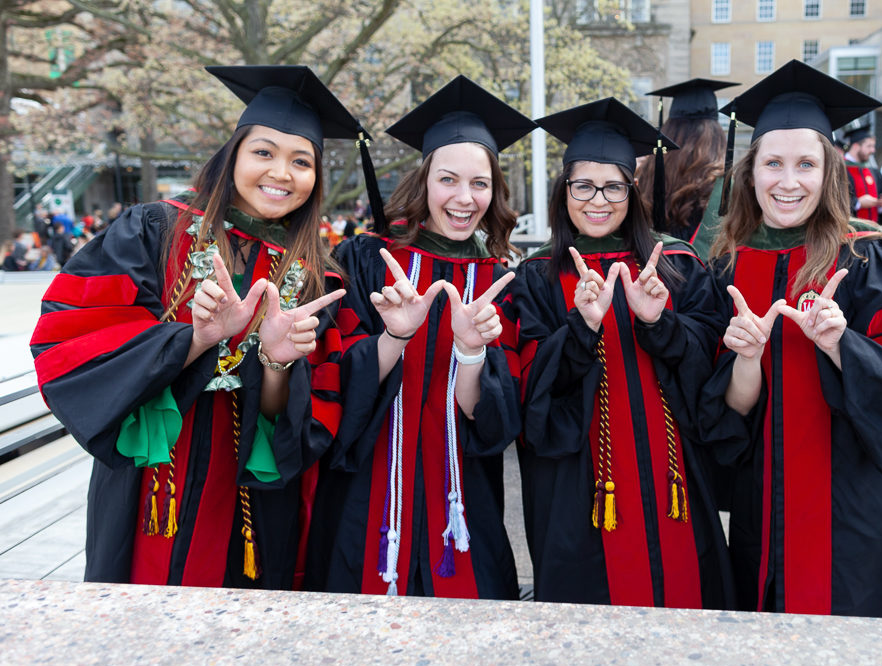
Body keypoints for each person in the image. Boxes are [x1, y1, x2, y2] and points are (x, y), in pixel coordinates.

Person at [29, 65, 374, 589]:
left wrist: (277, 364)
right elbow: (73, 339)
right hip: (152, 484)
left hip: (253, 502)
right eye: (263, 152)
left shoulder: (315, 274)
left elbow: (306, 420)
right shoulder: (154, 229)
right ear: (233, 154)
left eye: (301, 161)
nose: (281, 173)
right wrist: (197, 338)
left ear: (316, 178)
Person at [699, 60, 882, 618]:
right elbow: (725, 418)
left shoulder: (881, 260)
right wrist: (746, 359)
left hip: (862, 515)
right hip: (765, 513)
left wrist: (845, 346)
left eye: (805, 164)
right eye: (773, 163)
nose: (788, 181)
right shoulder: (725, 271)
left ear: (829, 172)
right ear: (749, 173)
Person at [304, 76, 536, 598]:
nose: (464, 197)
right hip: (367, 487)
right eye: (448, 179)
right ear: (424, 179)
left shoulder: (500, 281)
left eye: (480, 184)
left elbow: (495, 420)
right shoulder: (368, 260)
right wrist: (394, 337)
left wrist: (472, 353)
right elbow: (335, 381)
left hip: (462, 496)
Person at [513, 98, 733, 608]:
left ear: (633, 193)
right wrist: (581, 328)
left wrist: (661, 324)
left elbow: (712, 360)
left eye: (614, 186)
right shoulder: (536, 275)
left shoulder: (675, 265)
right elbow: (527, 385)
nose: (599, 199)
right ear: (563, 191)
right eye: (583, 185)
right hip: (579, 484)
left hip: (672, 479)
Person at [634, 79, 738, 243]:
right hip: (703, 267)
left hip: (653, 263)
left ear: (668, 131)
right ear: (716, 136)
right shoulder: (723, 187)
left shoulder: (646, 174)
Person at [843, 126, 882, 224]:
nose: (873, 150)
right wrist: (858, 203)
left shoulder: (873, 171)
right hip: (849, 231)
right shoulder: (839, 169)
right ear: (856, 146)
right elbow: (834, 199)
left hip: (873, 229)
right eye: (869, 146)